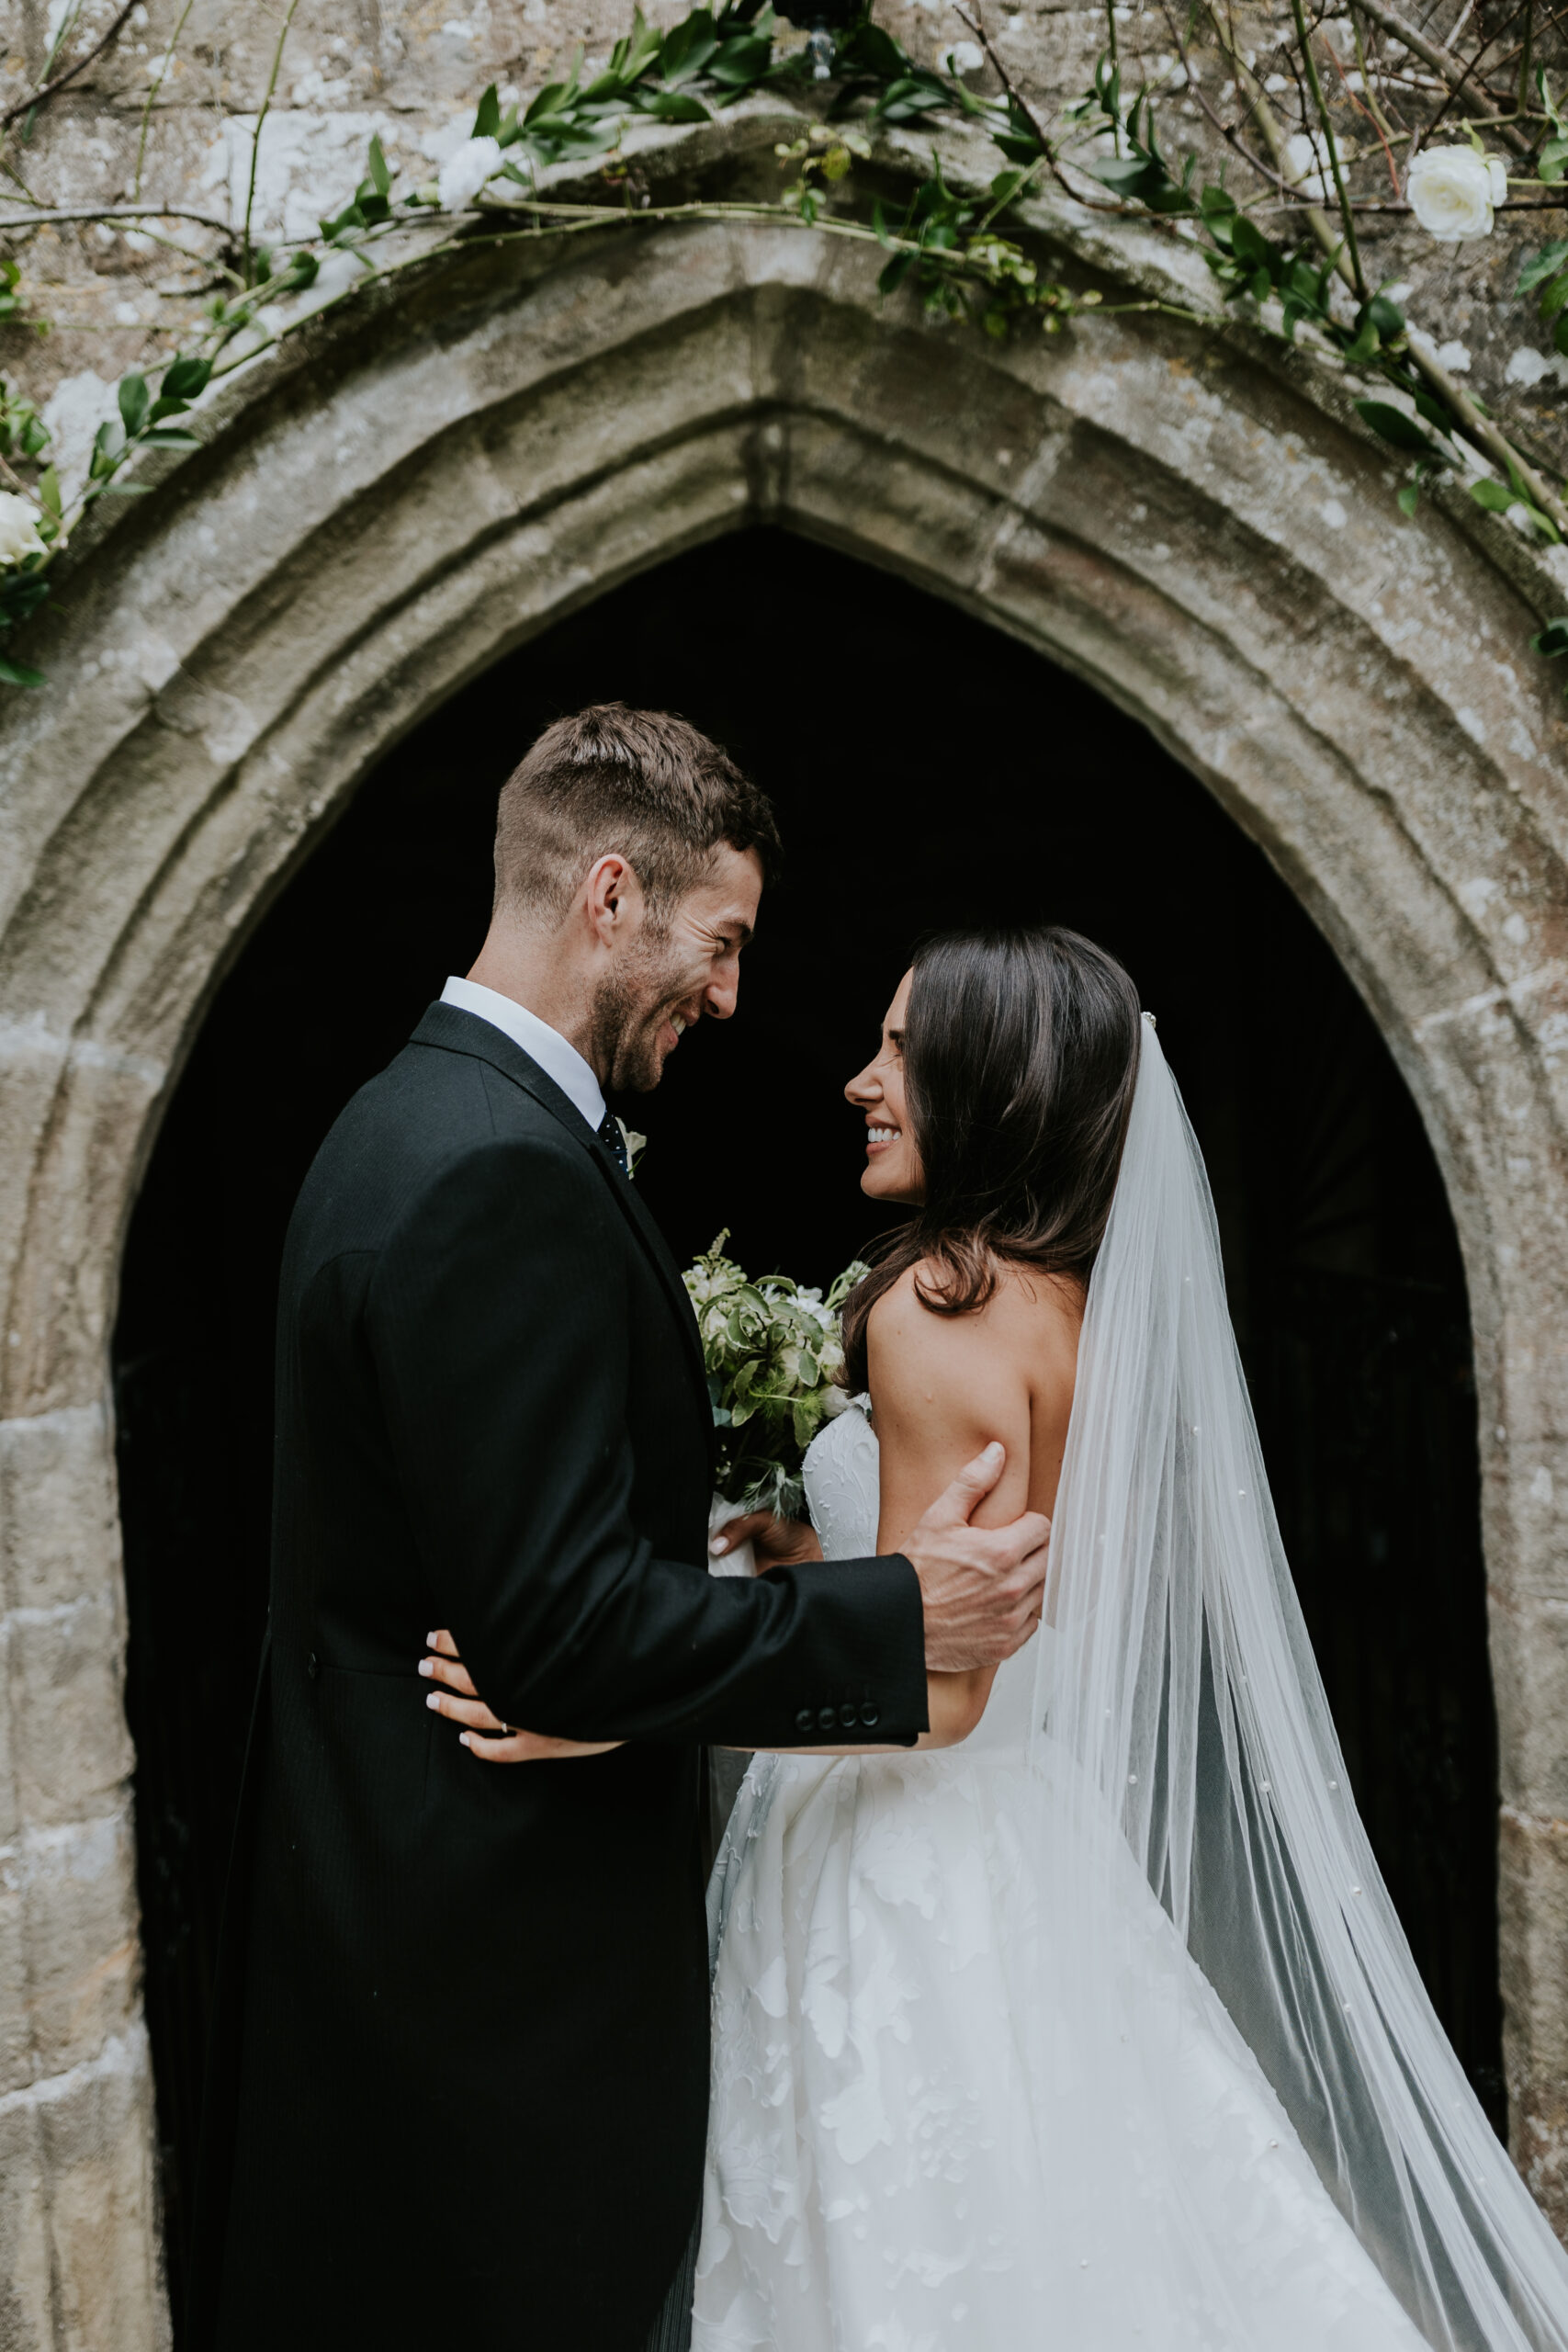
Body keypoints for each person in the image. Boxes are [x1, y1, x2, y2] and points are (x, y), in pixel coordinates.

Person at [447, 924, 1568, 2352]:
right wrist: (812, 1552)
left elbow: (940, 1688)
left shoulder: (937, 1304)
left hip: (903, 1861)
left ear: (994, 1084)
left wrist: (618, 1700)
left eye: (904, 1052)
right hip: (1028, 1845)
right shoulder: (1071, 1305)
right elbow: (957, 1587)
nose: (861, 1080)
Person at [189, 709, 1050, 2352]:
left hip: (392, 1902)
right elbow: (556, 1633)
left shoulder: (413, 1117)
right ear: (607, 896)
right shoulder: (492, 1173)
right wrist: (899, 1611)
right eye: (718, 944)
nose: (731, 998)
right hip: (491, 1965)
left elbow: (515, 1538)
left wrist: (730, 1552)